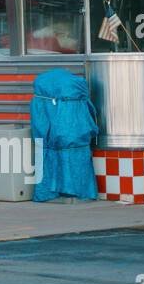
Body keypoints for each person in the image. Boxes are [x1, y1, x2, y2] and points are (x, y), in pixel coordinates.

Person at [30, 68, 98, 201]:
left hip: (59, 142)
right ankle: (75, 191)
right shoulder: (76, 100)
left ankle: (50, 192)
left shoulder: (43, 102)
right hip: (74, 143)